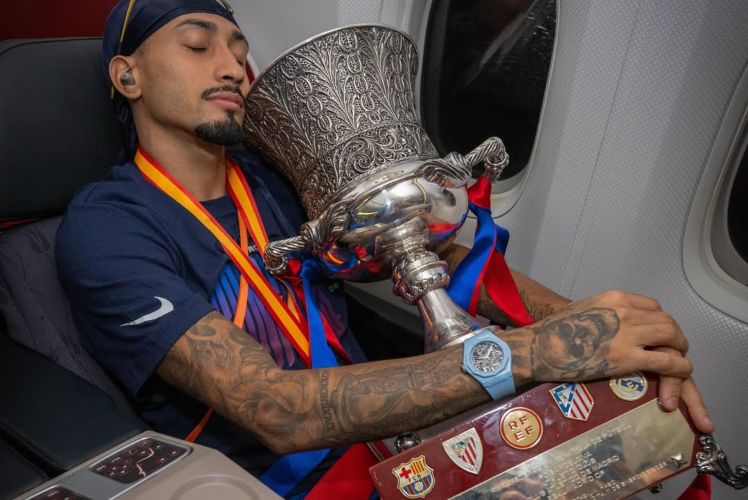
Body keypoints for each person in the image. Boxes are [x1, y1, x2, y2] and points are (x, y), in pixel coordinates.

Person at [55, 0, 713, 497]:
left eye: (237, 49)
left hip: (389, 446)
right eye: (198, 46)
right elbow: (275, 408)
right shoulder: (108, 227)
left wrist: (589, 325)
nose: (232, 68)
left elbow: (427, 252)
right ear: (128, 75)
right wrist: (538, 352)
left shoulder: (274, 176)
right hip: (265, 481)